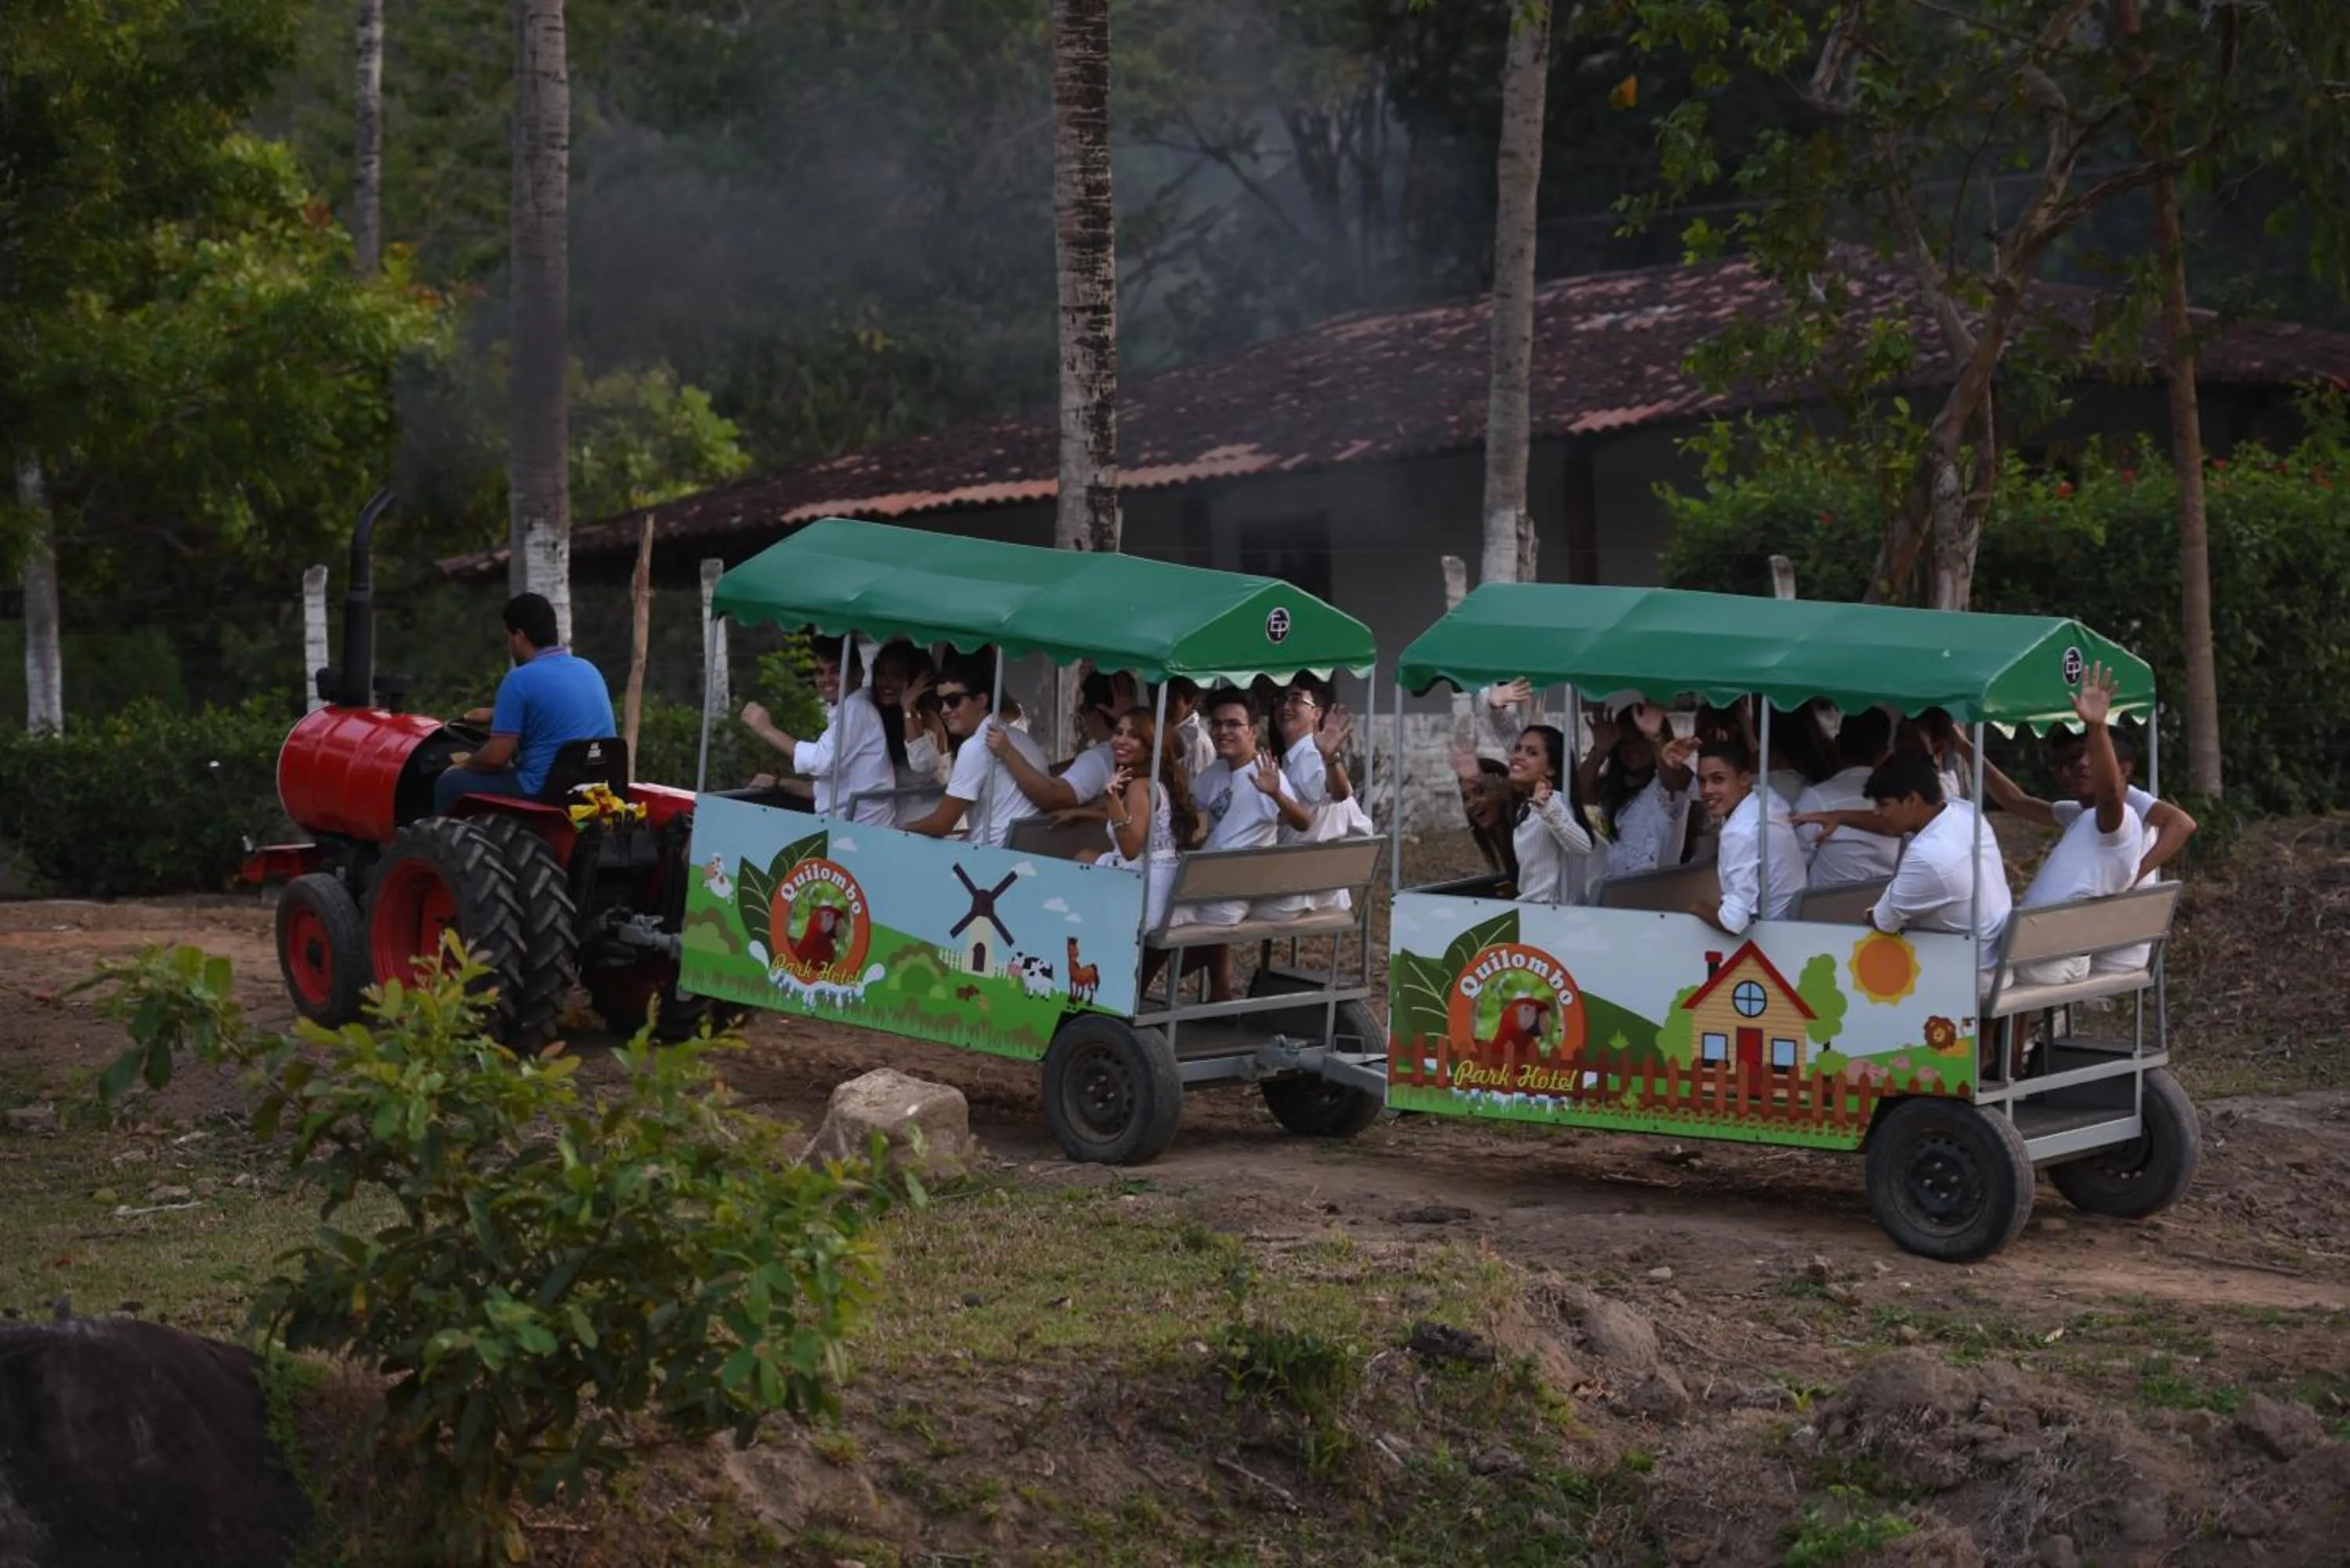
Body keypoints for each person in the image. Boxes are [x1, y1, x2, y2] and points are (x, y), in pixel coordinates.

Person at [1998, 663, 2150, 985]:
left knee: (1970, 965)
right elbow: (2016, 801)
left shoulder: (2119, 823)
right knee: (1983, 958)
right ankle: (2007, 1037)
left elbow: (2110, 795)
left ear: (2122, 770)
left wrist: (2097, 728)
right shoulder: (2083, 816)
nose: (2080, 767)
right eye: (2066, 763)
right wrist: (1964, 747)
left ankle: (1996, 1037)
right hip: (2046, 949)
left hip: (2051, 957)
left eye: (2089, 758)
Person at [1802, 749, 2010, 970]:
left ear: (1912, 799)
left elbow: (1882, 923)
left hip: (1962, 976)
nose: (1876, 813)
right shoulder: (1966, 814)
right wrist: (1840, 817)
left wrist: (1867, 912)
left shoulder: (1929, 856)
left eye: (1883, 804)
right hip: (1992, 958)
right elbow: (1888, 827)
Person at [436, 593, 616, 814]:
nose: (509, 644)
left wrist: (464, 764)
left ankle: (443, 845)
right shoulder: (588, 669)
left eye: (508, 637)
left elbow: (496, 758)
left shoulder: (520, 680)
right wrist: (496, 713)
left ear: (519, 636)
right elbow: (554, 707)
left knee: (449, 783)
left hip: (544, 791)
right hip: (594, 784)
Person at [1173, 688, 1299, 1000]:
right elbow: (1195, 820)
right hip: (1209, 881)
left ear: (1253, 730)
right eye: (1216, 724)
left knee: (1157, 929)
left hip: (1230, 892)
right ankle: (1220, 993)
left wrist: (1276, 794)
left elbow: (1303, 822)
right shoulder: (1212, 773)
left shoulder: (1267, 774)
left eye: (1233, 724)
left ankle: (1135, 990)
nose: (1222, 732)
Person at [741, 636, 895, 827]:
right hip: (848, 828)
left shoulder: (855, 709)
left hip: (859, 834)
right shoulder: (850, 708)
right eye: (820, 672)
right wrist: (779, 783)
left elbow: (821, 762)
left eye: (836, 671)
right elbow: (830, 788)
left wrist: (767, 730)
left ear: (857, 674)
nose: (826, 679)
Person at [900, 661, 1046, 849]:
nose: (944, 710)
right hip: (1019, 851)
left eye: (953, 701)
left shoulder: (976, 747)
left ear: (981, 701)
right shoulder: (1020, 737)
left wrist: (898, 829)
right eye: (939, 703)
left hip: (990, 855)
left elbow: (941, 824)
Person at [1078, 706, 1197, 936]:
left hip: (1148, 898)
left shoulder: (1139, 786)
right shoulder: (1161, 781)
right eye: (1118, 732)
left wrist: (1112, 799)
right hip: (1168, 889)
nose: (1121, 741)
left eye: (1133, 736)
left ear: (1150, 746)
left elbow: (1131, 848)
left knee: (1078, 865)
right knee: (1084, 857)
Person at [1264, 677, 1375, 914]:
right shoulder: (1295, 757)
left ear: (1317, 714)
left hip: (1302, 891)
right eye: (1280, 700)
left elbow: (1339, 792)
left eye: (1296, 700)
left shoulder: (1310, 755)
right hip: (1328, 887)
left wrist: (1331, 759)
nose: (1285, 707)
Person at [1691, 742, 1803, 934]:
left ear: (1744, 779)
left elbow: (1734, 922)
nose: (1707, 790)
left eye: (1718, 779)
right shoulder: (1769, 800)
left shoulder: (1739, 832)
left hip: (1771, 940)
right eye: (1702, 781)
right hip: (1793, 929)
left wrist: (1695, 908)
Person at [1578, 692, 1694, 876]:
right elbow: (1579, 794)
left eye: (1641, 739)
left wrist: (1655, 738)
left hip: (1657, 894)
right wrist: (1600, 750)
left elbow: (1674, 782)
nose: (1632, 748)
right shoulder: (1613, 785)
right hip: (1614, 892)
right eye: (1625, 741)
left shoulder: (1672, 779)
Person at [991, 669, 1126, 816]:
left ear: (1091, 711)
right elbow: (1071, 767)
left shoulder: (1098, 759)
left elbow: (1052, 797)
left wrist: (1008, 752)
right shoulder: (1120, 754)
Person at [1795, 705, 1900, 888]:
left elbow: (1796, 862)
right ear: (1884, 754)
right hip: (1886, 907)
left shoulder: (1816, 798)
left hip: (1823, 912)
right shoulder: (1901, 806)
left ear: (1837, 745)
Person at [870, 641, 951, 826]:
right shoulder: (879, 716)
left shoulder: (928, 717)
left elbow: (922, 764)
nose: (886, 682)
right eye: (881, 674)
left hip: (926, 829)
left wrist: (908, 707)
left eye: (897, 675)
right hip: (892, 826)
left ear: (917, 681)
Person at [1458, 757, 1517, 889]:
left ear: (1504, 789)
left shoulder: (1528, 832)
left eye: (1481, 792)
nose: (1472, 804)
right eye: (1466, 798)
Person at [1166, 676, 1214, 782]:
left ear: (1191, 703)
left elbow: (1197, 787)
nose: (1165, 705)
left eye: (1172, 699)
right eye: (1155, 698)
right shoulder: (1159, 730)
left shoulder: (1196, 741)